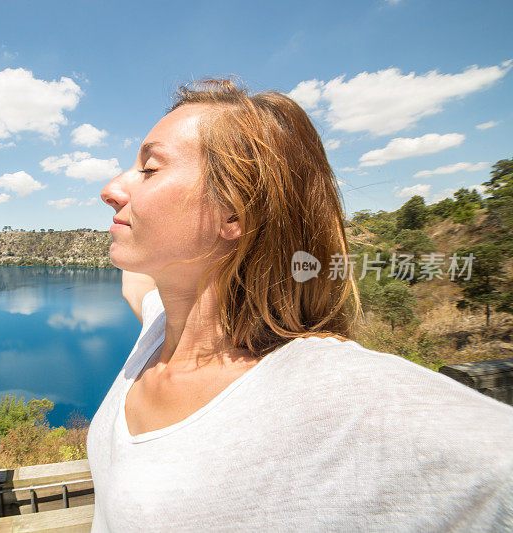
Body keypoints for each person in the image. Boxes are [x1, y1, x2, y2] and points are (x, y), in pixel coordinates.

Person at [87, 78, 513, 531]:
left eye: (149, 169)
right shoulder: (159, 331)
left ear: (234, 211)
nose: (110, 189)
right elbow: (136, 286)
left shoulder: (334, 388)